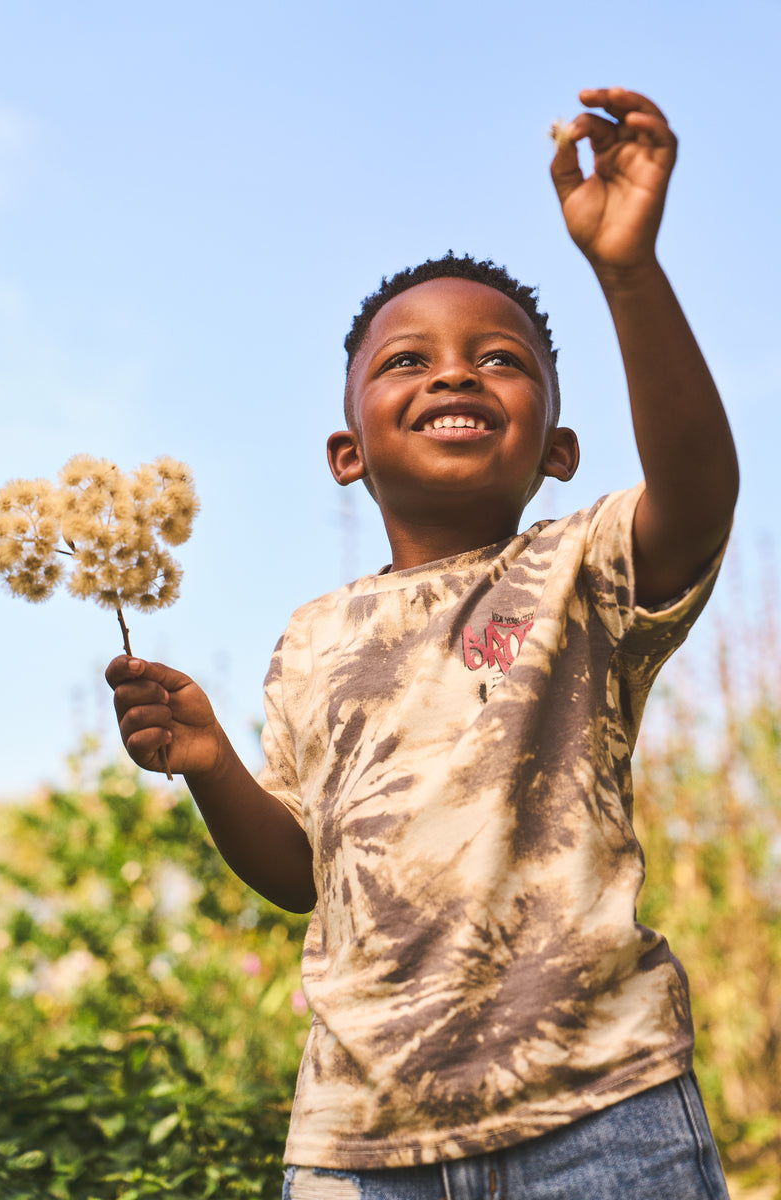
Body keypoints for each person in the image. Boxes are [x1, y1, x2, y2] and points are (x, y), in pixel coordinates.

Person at [107, 88, 738, 1199]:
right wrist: (212, 770)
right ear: (346, 452)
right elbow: (304, 874)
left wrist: (625, 272)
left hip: (600, 1113)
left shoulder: (581, 569)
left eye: (498, 359)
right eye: (406, 361)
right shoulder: (310, 640)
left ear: (557, 446)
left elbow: (695, 494)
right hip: (358, 1144)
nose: (452, 371)